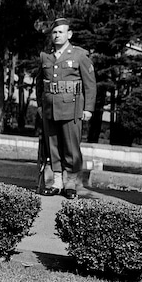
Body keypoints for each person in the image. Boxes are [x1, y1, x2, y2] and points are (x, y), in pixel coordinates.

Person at [34, 17, 97, 199]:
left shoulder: (79, 55)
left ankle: (70, 182)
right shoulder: (45, 57)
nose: (57, 35)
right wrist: (39, 104)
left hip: (72, 108)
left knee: (71, 147)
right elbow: (40, 83)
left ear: (69, 34)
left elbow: (90, 84)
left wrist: (88, 108)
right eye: (54, 32)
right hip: (49, 109)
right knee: (53, 146)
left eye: (61, 32)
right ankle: (57, 181)